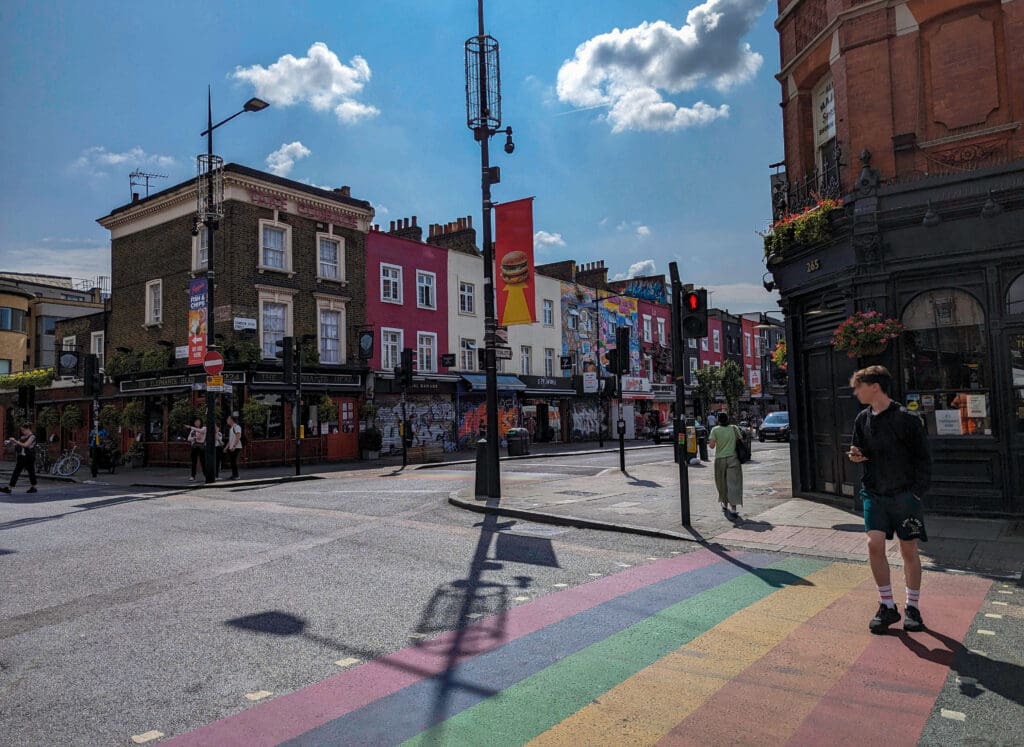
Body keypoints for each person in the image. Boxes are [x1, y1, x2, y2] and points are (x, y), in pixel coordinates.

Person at [848, 365, 931, 634]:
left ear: (874, 386)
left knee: (909, 550)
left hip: (905, 494)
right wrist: (856, 456)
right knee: (874, 545)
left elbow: (923, 460)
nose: (855, 392)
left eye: (857, 386)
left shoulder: (908, 419)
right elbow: (859, 449)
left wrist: (916, 493)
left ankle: (913, 607)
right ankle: (887, 605)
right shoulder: (862, 418)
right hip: (874, 492)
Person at [708, 411, 743, 520]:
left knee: (721, 482)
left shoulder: (715, 430)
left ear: (718, 420)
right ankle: (733, 508)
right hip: (733, 459)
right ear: (727, 419)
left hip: (720, 460)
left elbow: (712, 446)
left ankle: (724, 503)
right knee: (734, 483)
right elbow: (740, 440)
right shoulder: (734, 428)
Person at [2, 423, 38, 494]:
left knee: (31, 472)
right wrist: (11, 443)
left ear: (28, 429)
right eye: (22, 430)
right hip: (21, 457)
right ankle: (9, 488)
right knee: (16, 472)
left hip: (29, 457)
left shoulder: (32, 437)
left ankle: (33, 487)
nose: (22, 432)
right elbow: (18, 445)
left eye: (23, 430)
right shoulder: (23, 437)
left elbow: (26, 445)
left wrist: (15, 441)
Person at [225, 414, 242, 480]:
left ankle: (237, 476)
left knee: (234, 461)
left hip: (236, 447)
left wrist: (234, 446)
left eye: (228, 419)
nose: (227, 420)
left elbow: (238, 436)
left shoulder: (236, 427)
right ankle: (234, 475)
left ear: (231, 420)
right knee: (232, 462)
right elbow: (230, 440)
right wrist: (226, 448)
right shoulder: (231, 428)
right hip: (232, 447)